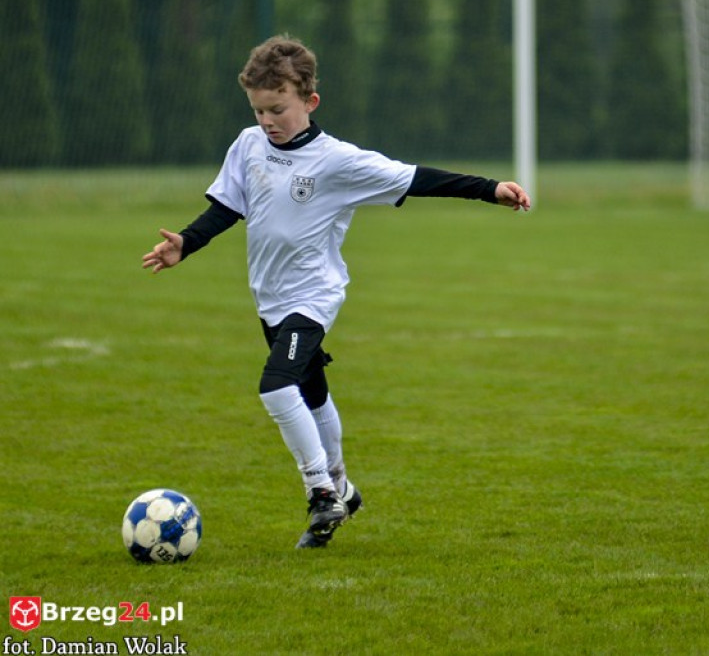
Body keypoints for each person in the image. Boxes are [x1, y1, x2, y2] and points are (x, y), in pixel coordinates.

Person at [142, 35, 531, 549]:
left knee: (277, 386)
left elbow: (416, 178)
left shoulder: (338, 162)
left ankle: (320, 490)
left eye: (277, 109)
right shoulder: (248, 145)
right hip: (270, 297)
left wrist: (490, 188)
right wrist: (186, 244)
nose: (267, 120)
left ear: (310, 101)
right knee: (311, 392)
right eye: (259, 110)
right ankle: (345, 490)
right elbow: (228, 207)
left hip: (314, 296)